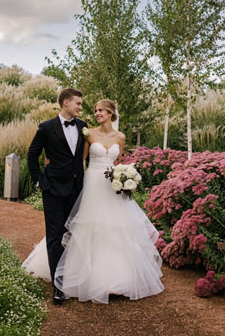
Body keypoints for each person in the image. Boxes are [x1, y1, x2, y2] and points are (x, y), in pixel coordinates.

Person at [22, 99, 164, 304]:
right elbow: (79, 160)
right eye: (96, 110)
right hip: (91, 184)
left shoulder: (120, 137)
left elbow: (118, 162)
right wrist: (54, 165)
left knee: (115, 229)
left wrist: (126, 177)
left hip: (111, 186)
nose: (97, 113)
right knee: (88, 227)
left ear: (111, 113)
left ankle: (116, 279)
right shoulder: (89, 133)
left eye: (101, 111)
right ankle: (78, 276)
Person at [26, 88, 87, 305]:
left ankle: (71, 277)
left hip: (76, 189)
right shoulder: (46, 128)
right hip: (52, 190)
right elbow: (32, 155)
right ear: (65, 103)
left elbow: (81, 157)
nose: (80, 107)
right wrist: (40, 180)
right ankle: (58, 287)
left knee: (72, 234)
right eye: (78, 103)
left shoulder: (83, 127)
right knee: (54, 236)